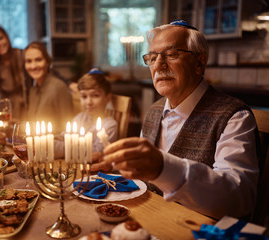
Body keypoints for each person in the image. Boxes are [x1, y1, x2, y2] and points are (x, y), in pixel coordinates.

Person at [94, 20, 260, 219]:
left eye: (171, 55)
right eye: (152, 57)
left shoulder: (234, 117)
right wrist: (115, 163)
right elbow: (142, 176)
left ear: (199, 62)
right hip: (149, 218)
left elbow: (238, 200)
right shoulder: (154, 111)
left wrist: (163, 167)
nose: (159, 65)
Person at [54, 68, 118, 159]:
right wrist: (47, 140)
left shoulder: (110, 125)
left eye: (95, 95)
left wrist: (58, 147)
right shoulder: (79, 118)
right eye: (84, 96)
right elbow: (64, 136)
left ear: (107, 98)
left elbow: (97, 150)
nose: (89, 102)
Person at [24, 41, 73, 133]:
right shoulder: (32, 90)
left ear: (47, 62)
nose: (33, 66)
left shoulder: (59, 87)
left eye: (38, 60)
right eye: (29, 61)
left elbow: (67, 130)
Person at [0, 23, 27, 120]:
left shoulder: (21, 55)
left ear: (6, 37)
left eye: (0, 38)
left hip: (28, 106)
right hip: (8, 112)